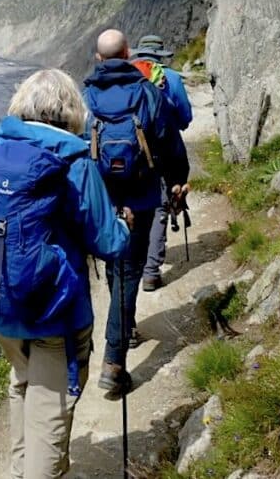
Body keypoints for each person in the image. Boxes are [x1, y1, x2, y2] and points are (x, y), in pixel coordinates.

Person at [0, 69, 130, 479]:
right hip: (56, 315)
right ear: (72, 110)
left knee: (23, 381)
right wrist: (123, 226)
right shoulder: (74, 160)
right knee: (52, 408)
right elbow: (109, 242)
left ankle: (19, 469)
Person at [83, 30, 189, 399]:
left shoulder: (87, 98)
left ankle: (123, 328)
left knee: (117, 266)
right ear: (127, 54)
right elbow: (170, 140)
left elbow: (80, 149)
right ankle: (114, 362)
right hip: (142, 198)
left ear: (98, 59)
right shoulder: (147, 92)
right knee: (129, 269)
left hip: (103, 202)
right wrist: (178, 180)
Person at [131, 34, 193, 292]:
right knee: (159, 208)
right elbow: (185, 118)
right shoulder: (172, 79)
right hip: (164, 152)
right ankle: (151, 272)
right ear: (161, 56)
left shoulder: (127, 78)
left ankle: (131, 260)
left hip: (129, 153)